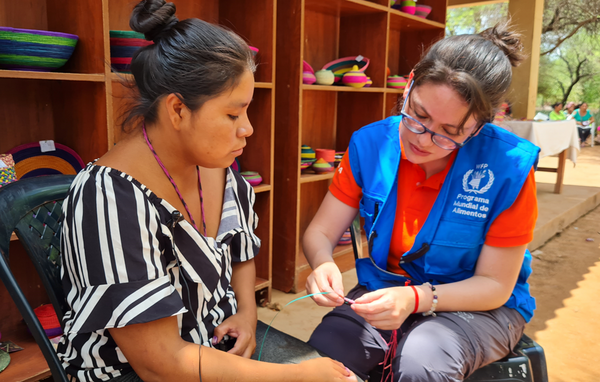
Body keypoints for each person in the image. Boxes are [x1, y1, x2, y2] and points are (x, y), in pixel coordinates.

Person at [57, 1, 355, 381]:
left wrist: (246, 313)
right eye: (233, 114)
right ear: (178, 110)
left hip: (212, 345)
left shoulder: (214, 164)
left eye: (246, 111)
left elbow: (239, 248)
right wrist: (294, 377)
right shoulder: (108, 198)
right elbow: (159, 364)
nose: (246, 128)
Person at [303, 21, 540, 382]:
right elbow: (320, 231)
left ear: (480, 126)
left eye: (450, 132)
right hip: (386, 290)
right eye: (419, 115)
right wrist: (321, 263)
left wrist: (416, 300)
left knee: (422, 359)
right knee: (327, 353)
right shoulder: (370, 145)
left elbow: (494, 285)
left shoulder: (508, 167)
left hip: (481, 306)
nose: (424, 140)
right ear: (410, 82)